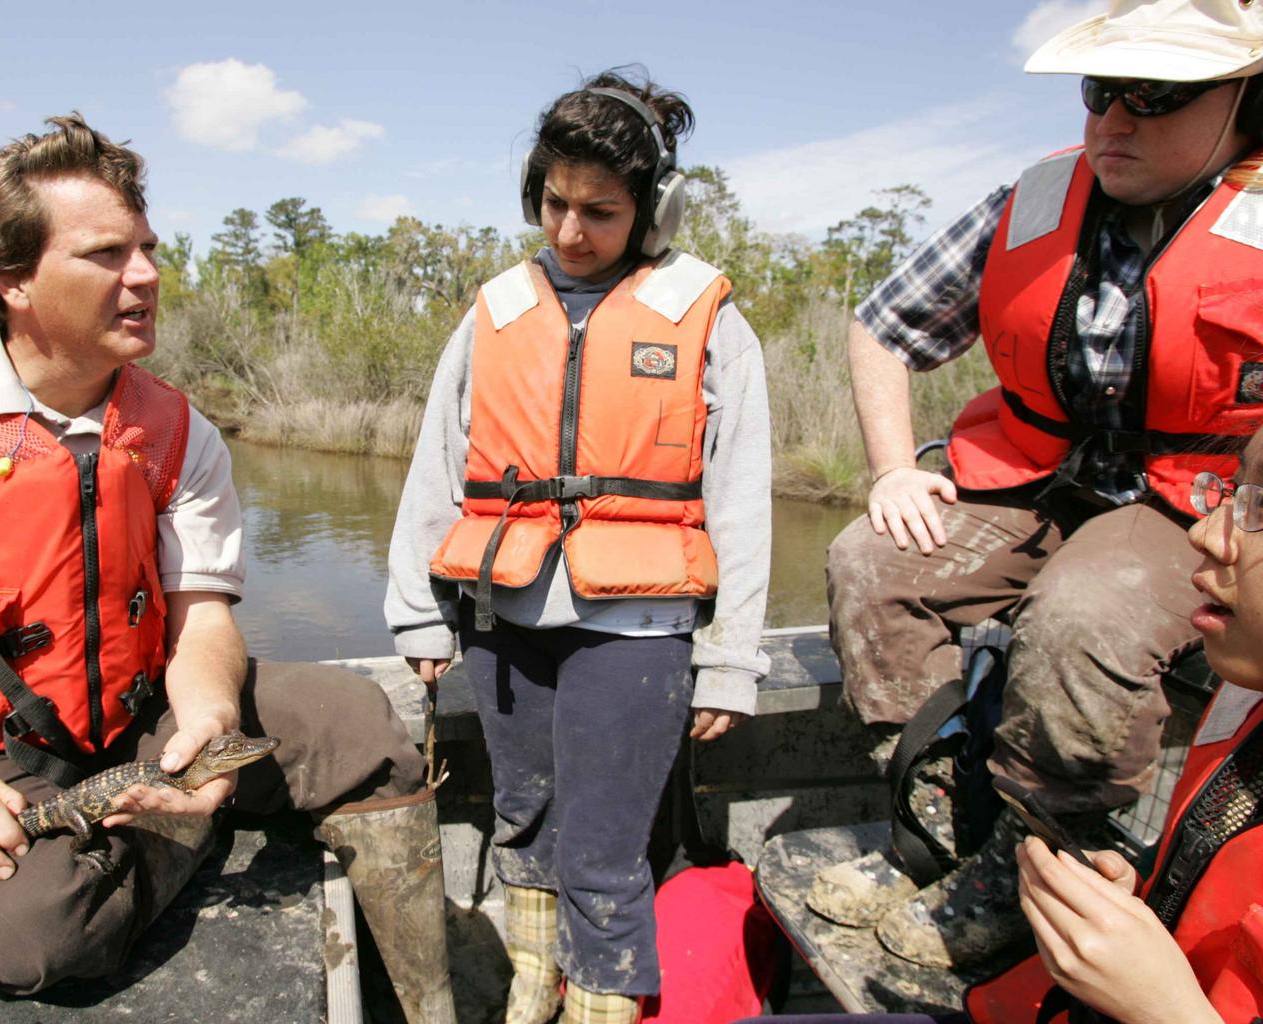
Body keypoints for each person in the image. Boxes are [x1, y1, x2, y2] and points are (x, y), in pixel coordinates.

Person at [0, 114, 453, 1022]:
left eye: (146, 248)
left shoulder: (178, 429)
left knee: (357, 724)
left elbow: (200, 617)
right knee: (30, 939)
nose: (146, 275)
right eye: (107, 255)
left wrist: (208, 725)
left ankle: (427, 1004)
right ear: (12, 279)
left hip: (132, 719)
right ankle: (164, 828)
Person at [813, 0, 1263, 971]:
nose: (1114, 121)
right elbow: (884, 325)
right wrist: (893, 468)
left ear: (1245, 99)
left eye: (1156, 94)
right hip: (1034, 475)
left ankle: (1039, 854)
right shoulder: (1036, 197)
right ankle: (942, 818)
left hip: (1192, 503)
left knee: (1083, 615)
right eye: (1103, 91)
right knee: (870, 563)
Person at [385, 69, 771, 1024]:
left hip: (636, 628)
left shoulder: (707, 318)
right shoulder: (495, 312)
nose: (569, 231)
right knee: (523, 814)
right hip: (505, 615)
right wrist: (416, 616)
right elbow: (435, 469)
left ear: (653, 210)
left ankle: (601, 1007)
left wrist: (728, 662)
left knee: (602, 847)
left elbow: (741, 504)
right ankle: (531, 990)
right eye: (554, 203)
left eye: (599, 211)